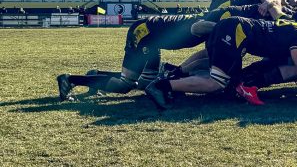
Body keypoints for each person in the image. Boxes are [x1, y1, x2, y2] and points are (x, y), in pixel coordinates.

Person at [145, 17, 297, 109]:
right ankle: (162, 86)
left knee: (219, 69)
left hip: (234, 29)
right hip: (236, 32)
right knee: (217, 83)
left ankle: (175, 76)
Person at [56, 13, 206, 101]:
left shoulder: (205, 21)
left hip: (151, 40)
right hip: (143, 35)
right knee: (126, 85)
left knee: (146, 83)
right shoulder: (205, 25)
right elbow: (198, 36)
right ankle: (70, 80)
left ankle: (96, 76)